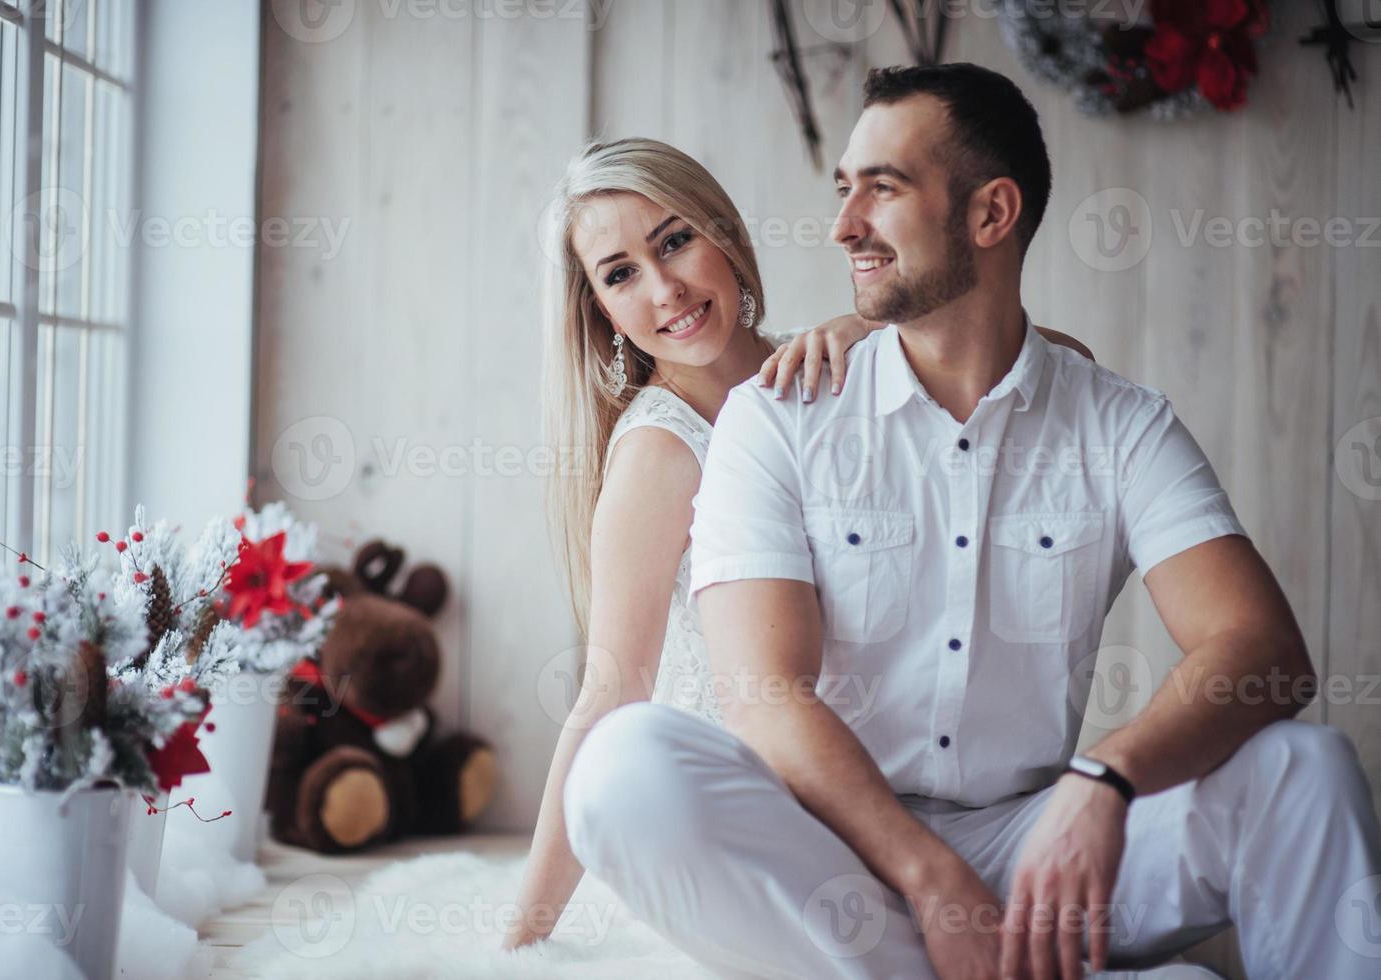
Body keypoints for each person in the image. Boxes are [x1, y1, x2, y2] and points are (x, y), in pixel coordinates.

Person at [562, 65, 1381, 980]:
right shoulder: (776, 414)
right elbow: (762, 695)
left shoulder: (1118, 423)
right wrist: (931, 880)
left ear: (991, 215)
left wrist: (1102, 781)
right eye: (844, 189)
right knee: (623, 765)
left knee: (1305, 770)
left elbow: (1262, 650)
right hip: (837, 853)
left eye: (884, 188)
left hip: (1040, 854)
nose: (842, 226)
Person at [505, 135, 1095, 953]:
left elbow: (1069, 363)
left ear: (725, 234)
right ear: (600, 311)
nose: (665, 287)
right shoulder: (659, 453)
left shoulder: (833, 368)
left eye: (675, 240)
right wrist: (517, 941)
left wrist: (876, 326)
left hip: (881, 803)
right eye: (621, 274)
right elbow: (608, 695)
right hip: (738, 827)